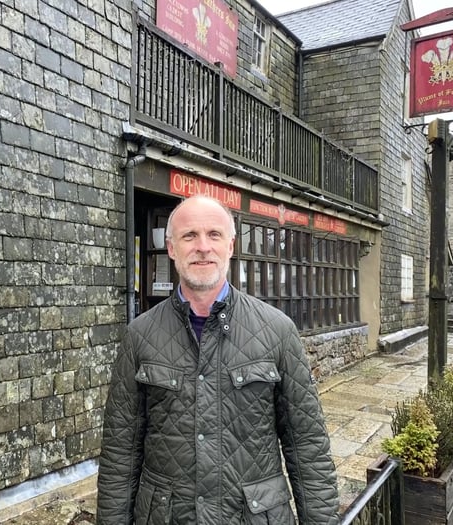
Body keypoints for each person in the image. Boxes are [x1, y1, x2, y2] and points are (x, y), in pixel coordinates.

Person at [96, 195, 339, 524]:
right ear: (171, 248)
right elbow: (120, 453)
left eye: (214, 235)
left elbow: (307, 443)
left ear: (230, 245)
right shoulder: (139, 335)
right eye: (189, 236)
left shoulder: (278, 331)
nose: (202, 247)